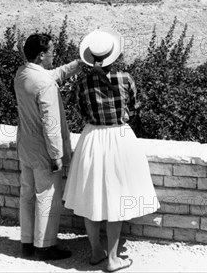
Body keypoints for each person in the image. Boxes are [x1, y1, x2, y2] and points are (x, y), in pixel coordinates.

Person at [63, 28, 160, 272]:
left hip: (92, 138)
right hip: (119, 137)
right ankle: (113, 258)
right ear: (113, 56)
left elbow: (83, 112)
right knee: (116, 198)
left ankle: (96, 252)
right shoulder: (126, 78)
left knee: (91, 197)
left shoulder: (83, 82)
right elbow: (135, 106)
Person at [14, 33, 82, 260]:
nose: (55, 54)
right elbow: (50, 123)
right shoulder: (45, 84)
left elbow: (52, 75)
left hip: (25, 146)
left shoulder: (22, 73)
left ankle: (27, 242)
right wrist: (57, 155)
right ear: (42, 55)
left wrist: (78, 64)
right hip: (43, 149)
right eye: (52, 51)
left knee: (27, 195)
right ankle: (44, 246)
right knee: (47, 196)